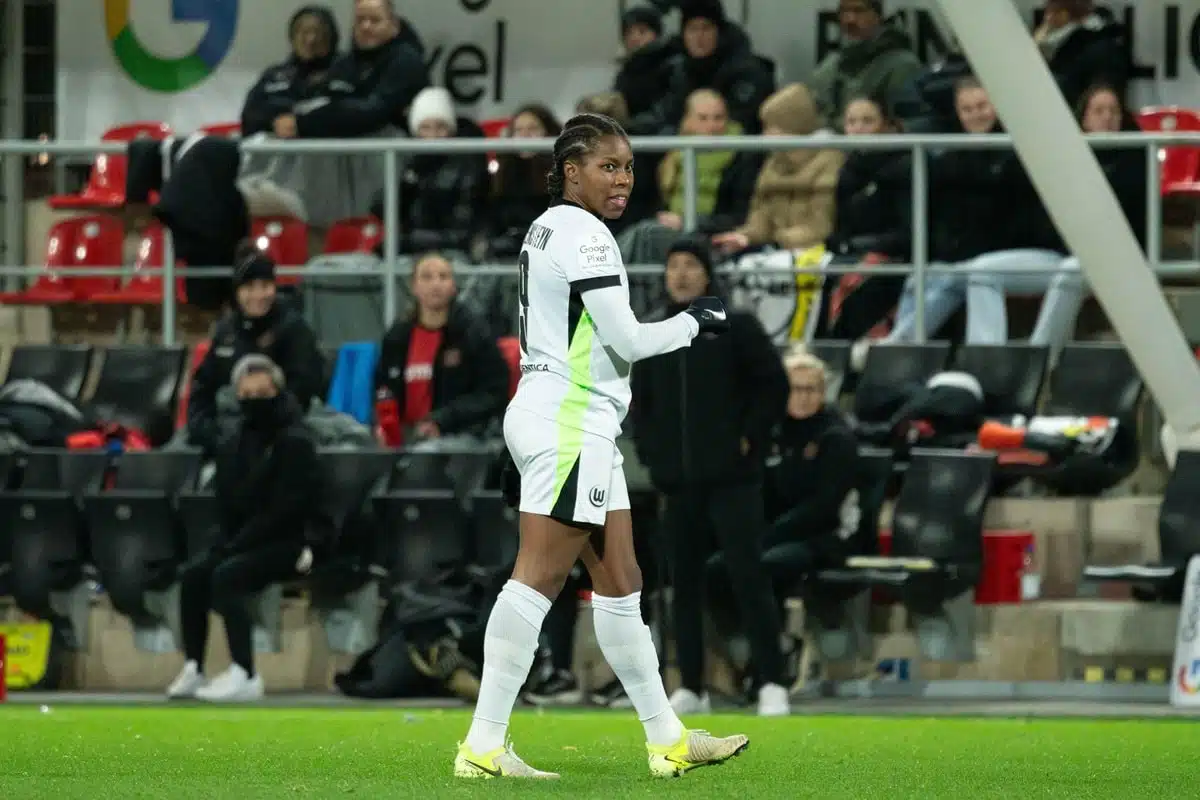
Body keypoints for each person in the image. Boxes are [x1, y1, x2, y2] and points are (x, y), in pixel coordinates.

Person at [454, 113, 746, 779]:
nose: (621, 180)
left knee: (621, 581)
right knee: (539, 576)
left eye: (628, 167)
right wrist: (697, 318)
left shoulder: (547, 228)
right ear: (571, 171)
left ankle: (667, 737)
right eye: (607, 166)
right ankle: (483, 744)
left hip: (566, 416)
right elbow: (629, 339)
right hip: (571, 420)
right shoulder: (586, 235)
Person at [630, 235, 790, 717]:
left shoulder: (734, 327)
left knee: (749, 579)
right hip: (678, 484)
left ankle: (773, 681)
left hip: (733, 480)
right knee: (683, 587)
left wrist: (748, 439)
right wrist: (654, 456)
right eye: (672, 265)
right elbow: (644, 405)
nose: (679, 274)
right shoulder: (655, 332)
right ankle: (692, 685)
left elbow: (773, 387)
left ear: (707, 274)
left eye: (690, 265)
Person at [166, 355, 325, 702]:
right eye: (247, 395)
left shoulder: (296, 441)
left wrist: (236, 545)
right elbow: (228, 503)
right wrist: (228, 542)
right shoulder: (234, 442)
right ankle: (194, 666)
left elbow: (287, 510)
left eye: (263, 393)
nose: (254, 402)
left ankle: (245, 672)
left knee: (227, 576)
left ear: (278, 392)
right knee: (195, 575)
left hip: (294, 545)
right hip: (245, 539)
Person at [374, 252, 509, 503]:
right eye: (426, 277)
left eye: (443, 277)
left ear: (453, 286)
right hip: (405, 435)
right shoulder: (397, 336)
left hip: (463, 434)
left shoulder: (473, 332)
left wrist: (442, 420)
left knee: (422, 463)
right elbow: (383, 387)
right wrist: (384, 423)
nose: (435, 283)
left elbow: (494, 393)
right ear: (413, 287)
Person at [186, 247, 325, 456]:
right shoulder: (226, 330)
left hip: (282, 432)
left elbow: (302, 391)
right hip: (228, 430)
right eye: (250, 287)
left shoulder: (294, 329)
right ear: (238, 291)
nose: (258, 295)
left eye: (265, 286)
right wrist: (207, 430)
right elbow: (203, 386)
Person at [809, 0, 922, 128]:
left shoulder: (902, 65)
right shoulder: (830, 64)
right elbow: (814, 111)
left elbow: (903, 125)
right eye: (844, 11)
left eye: (859, 11)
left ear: (878, 16)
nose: (849, 20)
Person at [240, 6, 339, 137]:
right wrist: (273, 122)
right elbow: (249, 117)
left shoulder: (344, 73)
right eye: (303, 32)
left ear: (331, 37)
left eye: (318, 32)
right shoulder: (274, 76)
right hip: (274, 147)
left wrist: (302, 123)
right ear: (292, 37)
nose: (310, 40)